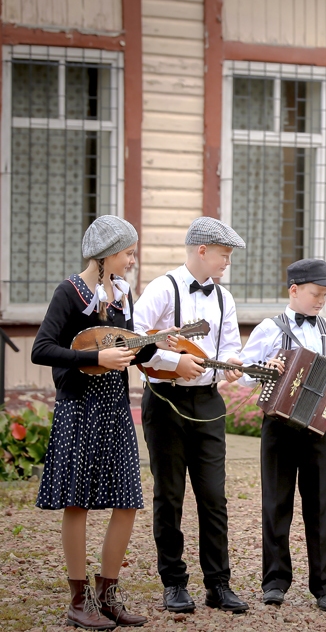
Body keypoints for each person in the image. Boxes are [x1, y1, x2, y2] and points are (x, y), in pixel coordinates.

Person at [32, 215, 160, 629]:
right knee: (78, 501)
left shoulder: (123, 296)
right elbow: (42, 349)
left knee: (127, 502)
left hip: (116, 407)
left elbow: (125, 351)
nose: (132, 260)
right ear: (106, 255)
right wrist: (93, 358)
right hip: (80, 406)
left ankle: (107, 594)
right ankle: (77, 599)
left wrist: (153, 345)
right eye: (127, 253)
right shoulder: (69, 293)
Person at [132, 217, 249, 615]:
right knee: (170, 495)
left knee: (214, 497)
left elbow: (231, 346)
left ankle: (219, 584)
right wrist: (172, 361)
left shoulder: (224, 299)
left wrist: (233, 363)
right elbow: (134, 338)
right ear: (202, 250)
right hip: (165, 402)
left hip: (208, 404)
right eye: (223, 255)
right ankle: (174, 583)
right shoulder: (163, 288)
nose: (226, 263)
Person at [237, 258, 326, 611]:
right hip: (278, 425)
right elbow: (242, 374)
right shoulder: (268, 329)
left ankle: (324, 585)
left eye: (325, 295)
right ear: (294, 290)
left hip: (319, 427)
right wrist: (265, 369)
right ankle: (275, 581)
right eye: (316, 293)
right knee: (276, 503)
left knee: (320, 506)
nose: (321, 300)